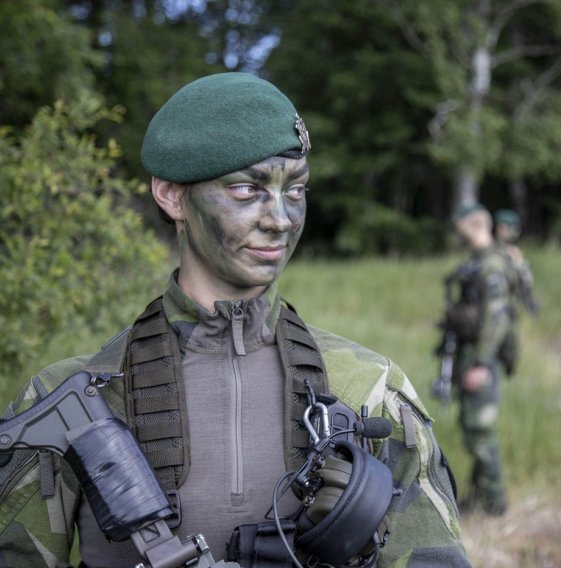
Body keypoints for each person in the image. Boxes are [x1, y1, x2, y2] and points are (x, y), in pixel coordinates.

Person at [0, 73, 469, 567]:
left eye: (296, 188)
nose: (281, 218)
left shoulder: (369, 390)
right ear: (172, 195)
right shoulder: (68, 404)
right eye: (248, 189)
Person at [442, 204, 512, 517]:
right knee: (471, 427)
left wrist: (482, 363)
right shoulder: (478, 261)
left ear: (474, 226)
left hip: (481, 356)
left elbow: (496, 319)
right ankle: (478, 495)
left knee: (480, 431)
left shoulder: (491, 265)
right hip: (468, 352)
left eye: (461, 229)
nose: (458, 235)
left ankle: (496, 503)